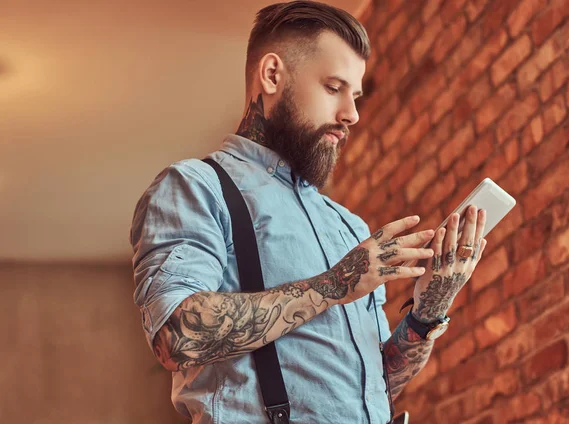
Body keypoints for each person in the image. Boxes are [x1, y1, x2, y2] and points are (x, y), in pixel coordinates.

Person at [129, 1, 488, 423]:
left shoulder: (348, 226)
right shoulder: (196, 187)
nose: (351, 114)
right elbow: (177, 336)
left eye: (355, 96)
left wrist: (427, 312)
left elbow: (371, 384)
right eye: (334, 88)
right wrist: (337, 283)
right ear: (272, 75)